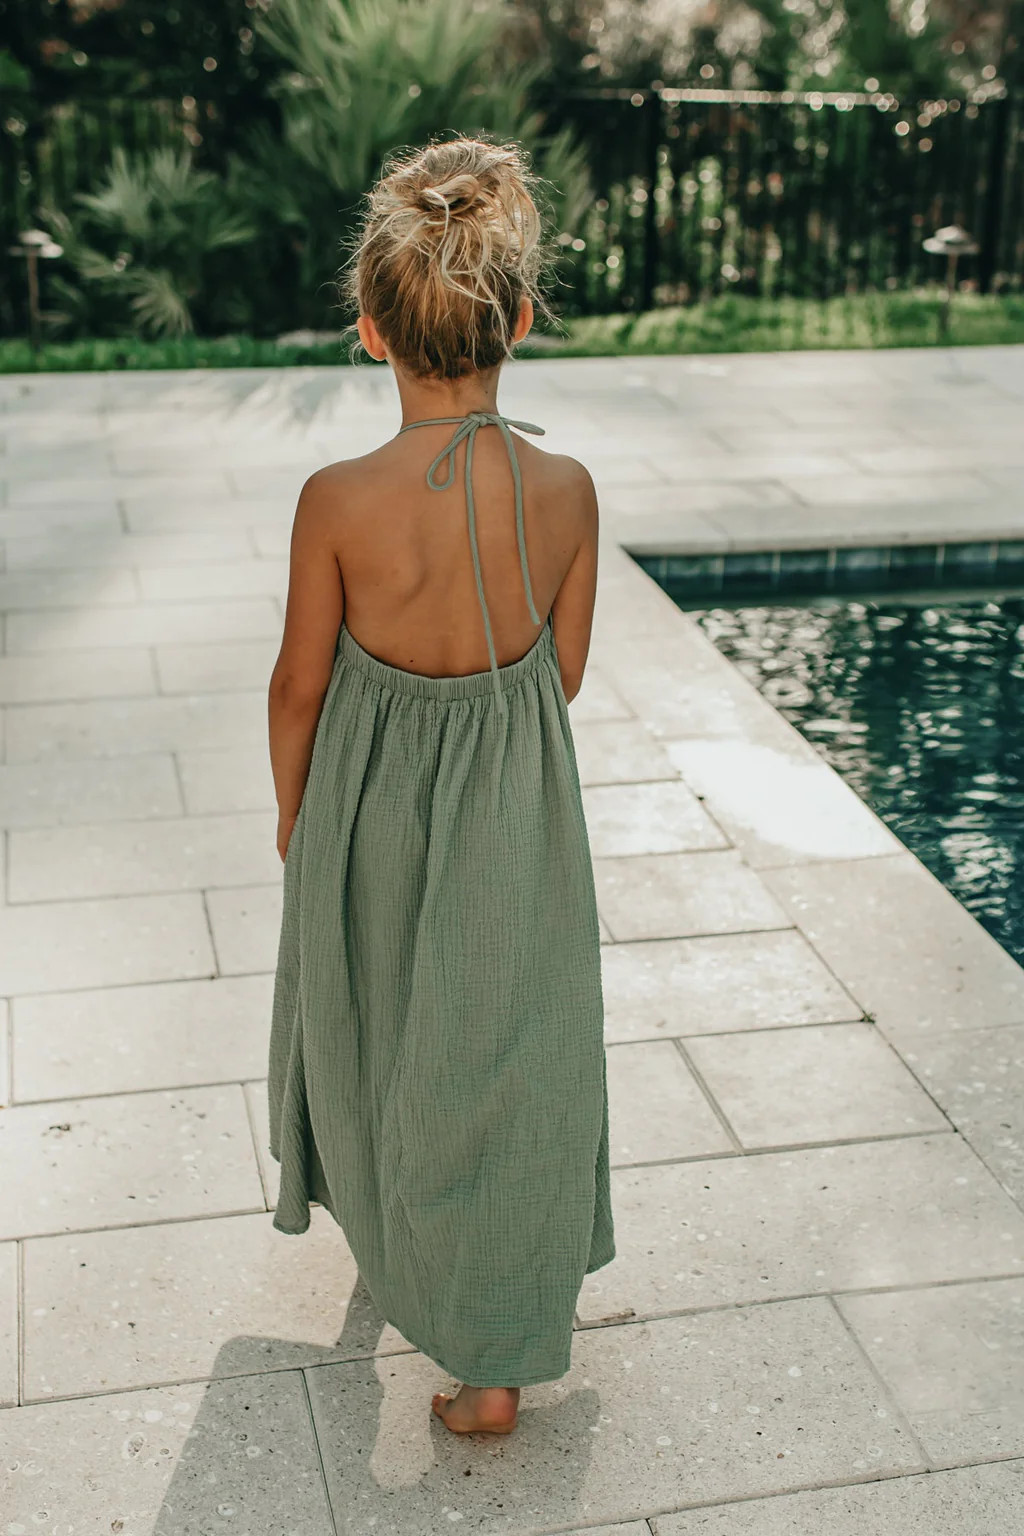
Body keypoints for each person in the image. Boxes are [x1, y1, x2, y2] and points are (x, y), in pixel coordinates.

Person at [266, 136, 614, 1438]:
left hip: (366, 808)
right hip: (513, 814)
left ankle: (391, 1230)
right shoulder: (567, 490)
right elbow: (560, 673)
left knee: (371, 1023)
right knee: (503, 1052)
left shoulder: (337, 500)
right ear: (520, 321)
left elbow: (297, 685)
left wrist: (296, 810)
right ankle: (496, 1367)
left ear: (369, 330)